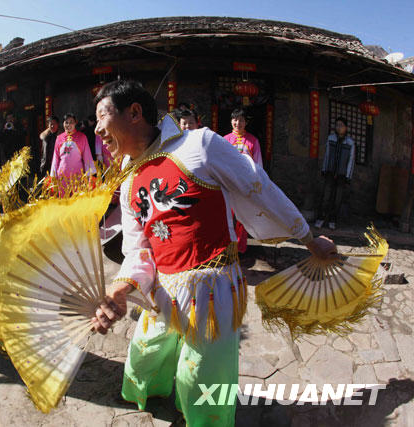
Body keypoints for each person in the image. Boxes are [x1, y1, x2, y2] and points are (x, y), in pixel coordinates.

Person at [91, 80, 337, 427]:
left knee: (199, 379)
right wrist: (120, 288)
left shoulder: (200, 144)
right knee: (145, 356)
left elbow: (260, 189)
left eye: (103, 116)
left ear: (134, 113)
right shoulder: (129, 180)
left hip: (212, 287)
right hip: (162, 286)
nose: (97, 128)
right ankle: (157, 396)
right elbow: (138, 249)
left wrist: (309, 239)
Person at [223, 109, 264, 253]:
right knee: (227, 216)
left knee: (242, 217)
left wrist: (257, 184)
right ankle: (226, 247)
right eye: (235, 119)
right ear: (231, 121)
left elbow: (258, 164)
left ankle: (240, 248)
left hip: (246, 185)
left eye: (241, 120)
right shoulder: (224, 140)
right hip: (228, 184)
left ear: (246, 122)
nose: (237, 123)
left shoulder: (253, 141)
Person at [314, 117, 356, 230]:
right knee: (326, 196)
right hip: (330, 171)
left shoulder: (350, 142)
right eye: (337, 125)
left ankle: (333, 220)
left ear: (346, 128)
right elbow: (327, 155)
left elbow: (351, 160)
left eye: (341, 125)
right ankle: (321, 218)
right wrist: (324, 168)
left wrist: (348, 176)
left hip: (342, 174)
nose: (339, 127)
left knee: (338, 199)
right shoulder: (331, 139)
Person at [50, 113, 96, 182]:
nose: (68, 125)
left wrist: (91, 175)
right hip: (62, 177)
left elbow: (87, 156)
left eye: (71, 122)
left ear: (75, 123)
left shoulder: (82, 137)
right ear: (63, 124)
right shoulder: (59, 138)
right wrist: (53, 175)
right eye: (66, 122)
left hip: (78, 177)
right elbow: (55, 158)